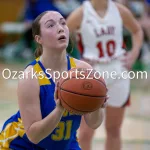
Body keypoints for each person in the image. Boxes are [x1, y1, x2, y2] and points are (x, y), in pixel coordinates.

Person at [0, 11, 106, 150]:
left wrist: (97, 105)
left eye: (63, 23)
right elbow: (34, 136)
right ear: (39, 39)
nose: (60, 28)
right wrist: (59, 109)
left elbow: (94, 123)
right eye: (51, 25)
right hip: (23, 144)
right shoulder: (31, 77)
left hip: (64, 145)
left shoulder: (83, 70)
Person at [66, 0, 143, 150]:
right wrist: (73, 61)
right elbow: (61, 38)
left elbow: (137, 30)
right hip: (91, 73)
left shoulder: (119, 10)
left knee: (114, 129)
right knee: (85, 133)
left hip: (118, 71)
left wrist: (133, 55)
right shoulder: (81, 13)